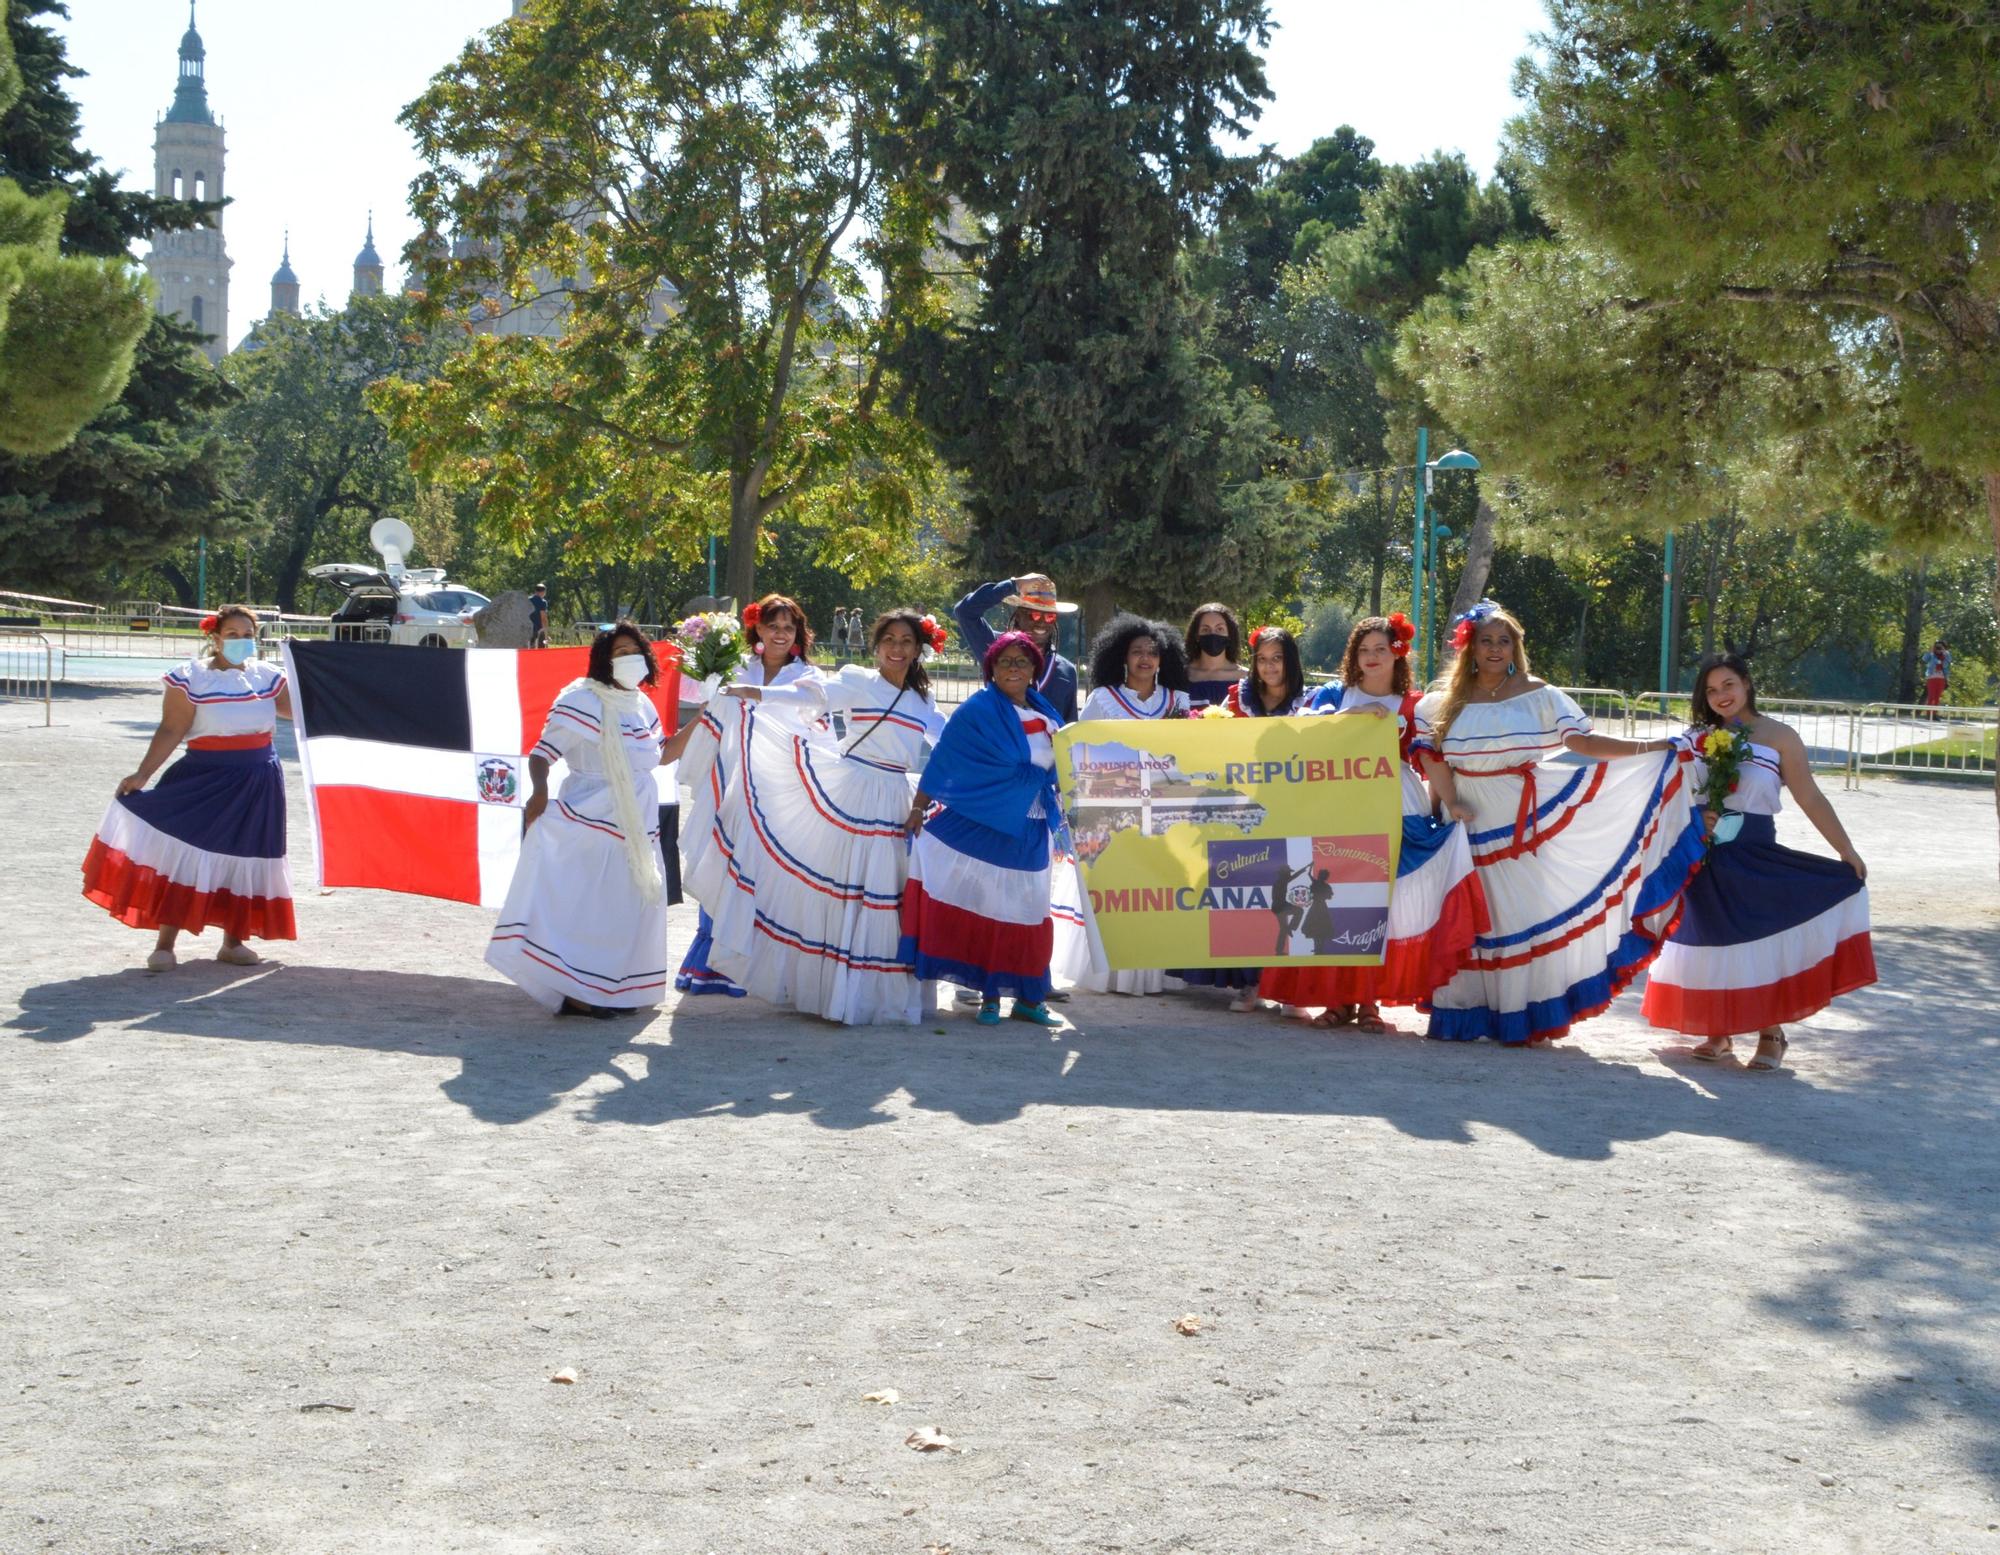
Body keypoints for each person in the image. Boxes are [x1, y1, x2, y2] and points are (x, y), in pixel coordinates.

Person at [1415, 600, 1704, 1045]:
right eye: (1486, 640)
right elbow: (1433, 760)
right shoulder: (1441, 703)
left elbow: (1583, 743)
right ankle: (1464, 1014)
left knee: (1518, 915)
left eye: (1504, 641)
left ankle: (1520, 1017)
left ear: (1516, 648)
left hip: (1525, 821)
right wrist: (1449, 803)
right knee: (1472, 918)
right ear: (1470, 646)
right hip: (1466, 821)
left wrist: (1651, 748)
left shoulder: (1541, 696)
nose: (1495, 649)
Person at [697, 610, 949, 1025]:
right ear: (876, 644)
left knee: (886, 896)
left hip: (895, 799)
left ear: (919, 648)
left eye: (906, 641)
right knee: (848, 890)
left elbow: (950, 738)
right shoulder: (858, 681)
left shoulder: (923, 699)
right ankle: (840, 993)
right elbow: (812, 697)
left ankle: (874, 995)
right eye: (889, 639)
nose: (897, 649)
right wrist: (758, 694)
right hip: (855, 791)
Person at [1641, 653, 1875, 1070]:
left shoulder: (1779, 735)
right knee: (1712, 940)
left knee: (1760, 937)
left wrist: (1846, 850)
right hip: (1704, 855)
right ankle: (1719, 1031)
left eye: (1728, 685)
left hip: (1754, 852)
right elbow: (1670, 794)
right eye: (1711, 691)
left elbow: (1810, 796)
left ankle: (1772, 1032)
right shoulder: (1696, 737)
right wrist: (1696, 818)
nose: (1720, 696)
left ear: (1746, 683)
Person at [1260, 614, 1489, 1030]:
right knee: (1337, 899)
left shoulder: (1413, 706)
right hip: (1337, 801)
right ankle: (1338, 999)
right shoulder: (1333, 694)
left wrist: (1451, 802)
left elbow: (1428, 759)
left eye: (1380, 649)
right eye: (1364, 649)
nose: (1371, 657)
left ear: (1397, 653)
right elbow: (1303, 734)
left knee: (1382, 903)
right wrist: (1353, 717)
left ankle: (1369, 1002)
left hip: (1395, 802)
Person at [83, 606, 297, 971]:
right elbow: (171, 729)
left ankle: (233, 941)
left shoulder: (269, 676)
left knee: (245, 856)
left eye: (248, 635)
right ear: (215, 638)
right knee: (185, 857)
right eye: (232, 635)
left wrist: (321, 672)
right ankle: (165, 944)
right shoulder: (191, 678)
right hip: (203, 778)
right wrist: (142, 775)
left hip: (258, 779)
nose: (241, 642)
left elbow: (300, 712)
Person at [486, 621, 672, 1016]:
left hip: (636, 826)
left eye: (634, 651)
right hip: (589, 819)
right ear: (604, 660)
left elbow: (662, 754)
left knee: (624, 909)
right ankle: (575, 992)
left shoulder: (642, 704)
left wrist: (708, 716)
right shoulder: (582, 700)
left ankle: (612, 990)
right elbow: (542, 753)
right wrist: (539, 790)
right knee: (587, 909)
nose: (628, 659)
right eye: (619, 653)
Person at [900, 632, 1066, 1026]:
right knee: (989, 908)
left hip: (1032, 826)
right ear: (991, 668)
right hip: (986, 822)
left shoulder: (1046, 713)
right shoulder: (977, 711)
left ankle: (1029, 997)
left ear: (1033, 671)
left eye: (1022, 662)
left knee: (1028, 911)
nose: (1013, 668)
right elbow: (944, 760)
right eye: (1005, 661)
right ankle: (989, 995)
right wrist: (919, 808)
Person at [670, 594, 825, 997]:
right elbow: (702, 703)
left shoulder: (806, 675)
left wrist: (755, 695)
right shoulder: (736, 666)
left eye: (788, 627)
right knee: (720, 861)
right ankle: (711, 965)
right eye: (772, 625)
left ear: (797, 634)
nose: (780, 633)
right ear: (756, 628)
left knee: (767, 873)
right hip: (728, 785)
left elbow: (813, 707)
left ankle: (758, 965)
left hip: (778, 792)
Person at [1074, 614, 1193, 996]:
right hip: (1112, 808)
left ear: (1163, 659)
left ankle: (1149, 974)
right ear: (1121, 657)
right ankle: (1110, 972)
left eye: (1153, 652)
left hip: (1162, 809)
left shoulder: (1179, 701)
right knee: (1115, 888)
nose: (1145, 658)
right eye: (1137, 651)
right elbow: (1082, 751)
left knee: (1153, 889)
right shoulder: (1102, 699)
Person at [953, 572, 1080, 723]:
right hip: (999, 744)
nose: (1041, 623)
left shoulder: (1066, 671)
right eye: (1034, 615)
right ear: (1019, 616)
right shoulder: (995, 647)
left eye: (1049, 616)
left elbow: (1069, 728)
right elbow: (965, 612)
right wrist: (1014, 585)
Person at [1225, 625, 1311, 717]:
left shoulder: (1310, 702)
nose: (1268, 665)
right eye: (1262, 659)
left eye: (1276, 658)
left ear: (1291, 659)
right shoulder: (1237, 698)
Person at [1184, 602, 1244, 710]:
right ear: (1196, 635)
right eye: (1205, 629)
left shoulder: (1245, 678)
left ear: (1230, 634)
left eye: (1219, 629)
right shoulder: (1181, 676)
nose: (1212, 634)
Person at [1922, 639, 1950, 710]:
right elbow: (1924, 659)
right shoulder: (1931, 655)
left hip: (1941, 678)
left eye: (1940, 647)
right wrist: (1930, 652)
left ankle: (1934, 714)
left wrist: (1944, 652)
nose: (1938, 649)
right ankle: (1929, 714)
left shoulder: (1946, 655)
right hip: (1931, 677)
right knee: (1931, 696)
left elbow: (1946, 664)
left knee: (1937, 697)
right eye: (1937, 647)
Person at [528, 583, 550, 649]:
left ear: (535, 591)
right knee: (540, 652)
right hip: (538, 631)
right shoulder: (542, 602)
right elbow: (543, 619)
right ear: (543, 592)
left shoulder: (527, 600)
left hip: (527, 630)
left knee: (528, 650)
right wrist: (546, 635)